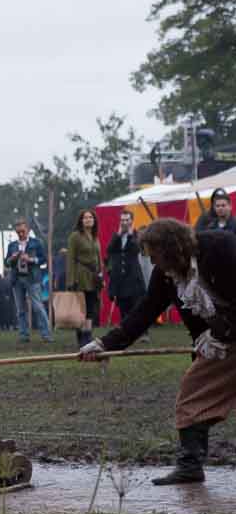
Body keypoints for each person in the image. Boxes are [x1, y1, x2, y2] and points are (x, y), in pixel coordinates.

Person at [80, 219, 236, 485]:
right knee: (193, 392)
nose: (152, 262)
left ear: (170, 248)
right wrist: (105, 344)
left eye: (154, 255)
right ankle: (190, 466)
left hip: (225, 335)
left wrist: (223, 332)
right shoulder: (167, 273)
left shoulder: (221, 247)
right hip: (221, 344)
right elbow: (145, 311)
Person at [5, 218, 51, 342]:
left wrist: (31, 259)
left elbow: (43, 259)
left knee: (38, 307)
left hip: (32, 278)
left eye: (23, 231)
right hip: (17, 278)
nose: (20, 234)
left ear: (28, 230)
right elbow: (6, 263)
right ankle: (23, 335)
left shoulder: (37, 243)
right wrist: (12, 259)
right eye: (18, 231)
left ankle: (46, 334)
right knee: (20, 309)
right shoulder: (12, 245)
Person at [66, 208, 104, 346]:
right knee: (80, 308)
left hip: (93, 277)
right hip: (80, 275)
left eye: (91, 217)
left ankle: (88, 335)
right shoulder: (75, 236)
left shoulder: (95, 237)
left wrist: (101, 275)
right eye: (85, 217)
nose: (88, 219)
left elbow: (98, 258)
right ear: (81, 221)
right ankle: (81, 337)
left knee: (91, 306)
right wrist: (71, 280)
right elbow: (70, 259)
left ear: (94, 221)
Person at [106, 210, 146, 320]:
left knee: (137, 309)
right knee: (124, 310)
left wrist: (129, 235)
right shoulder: (116, 236)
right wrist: (118, 235)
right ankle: (126, 335)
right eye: (122, 220)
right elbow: (109, 250)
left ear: (132, 221)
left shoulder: (136, 235)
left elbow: (136, 249)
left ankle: (143, 334)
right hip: (120, 280)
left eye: (127, 220)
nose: (124, 223)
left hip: (133, 279)